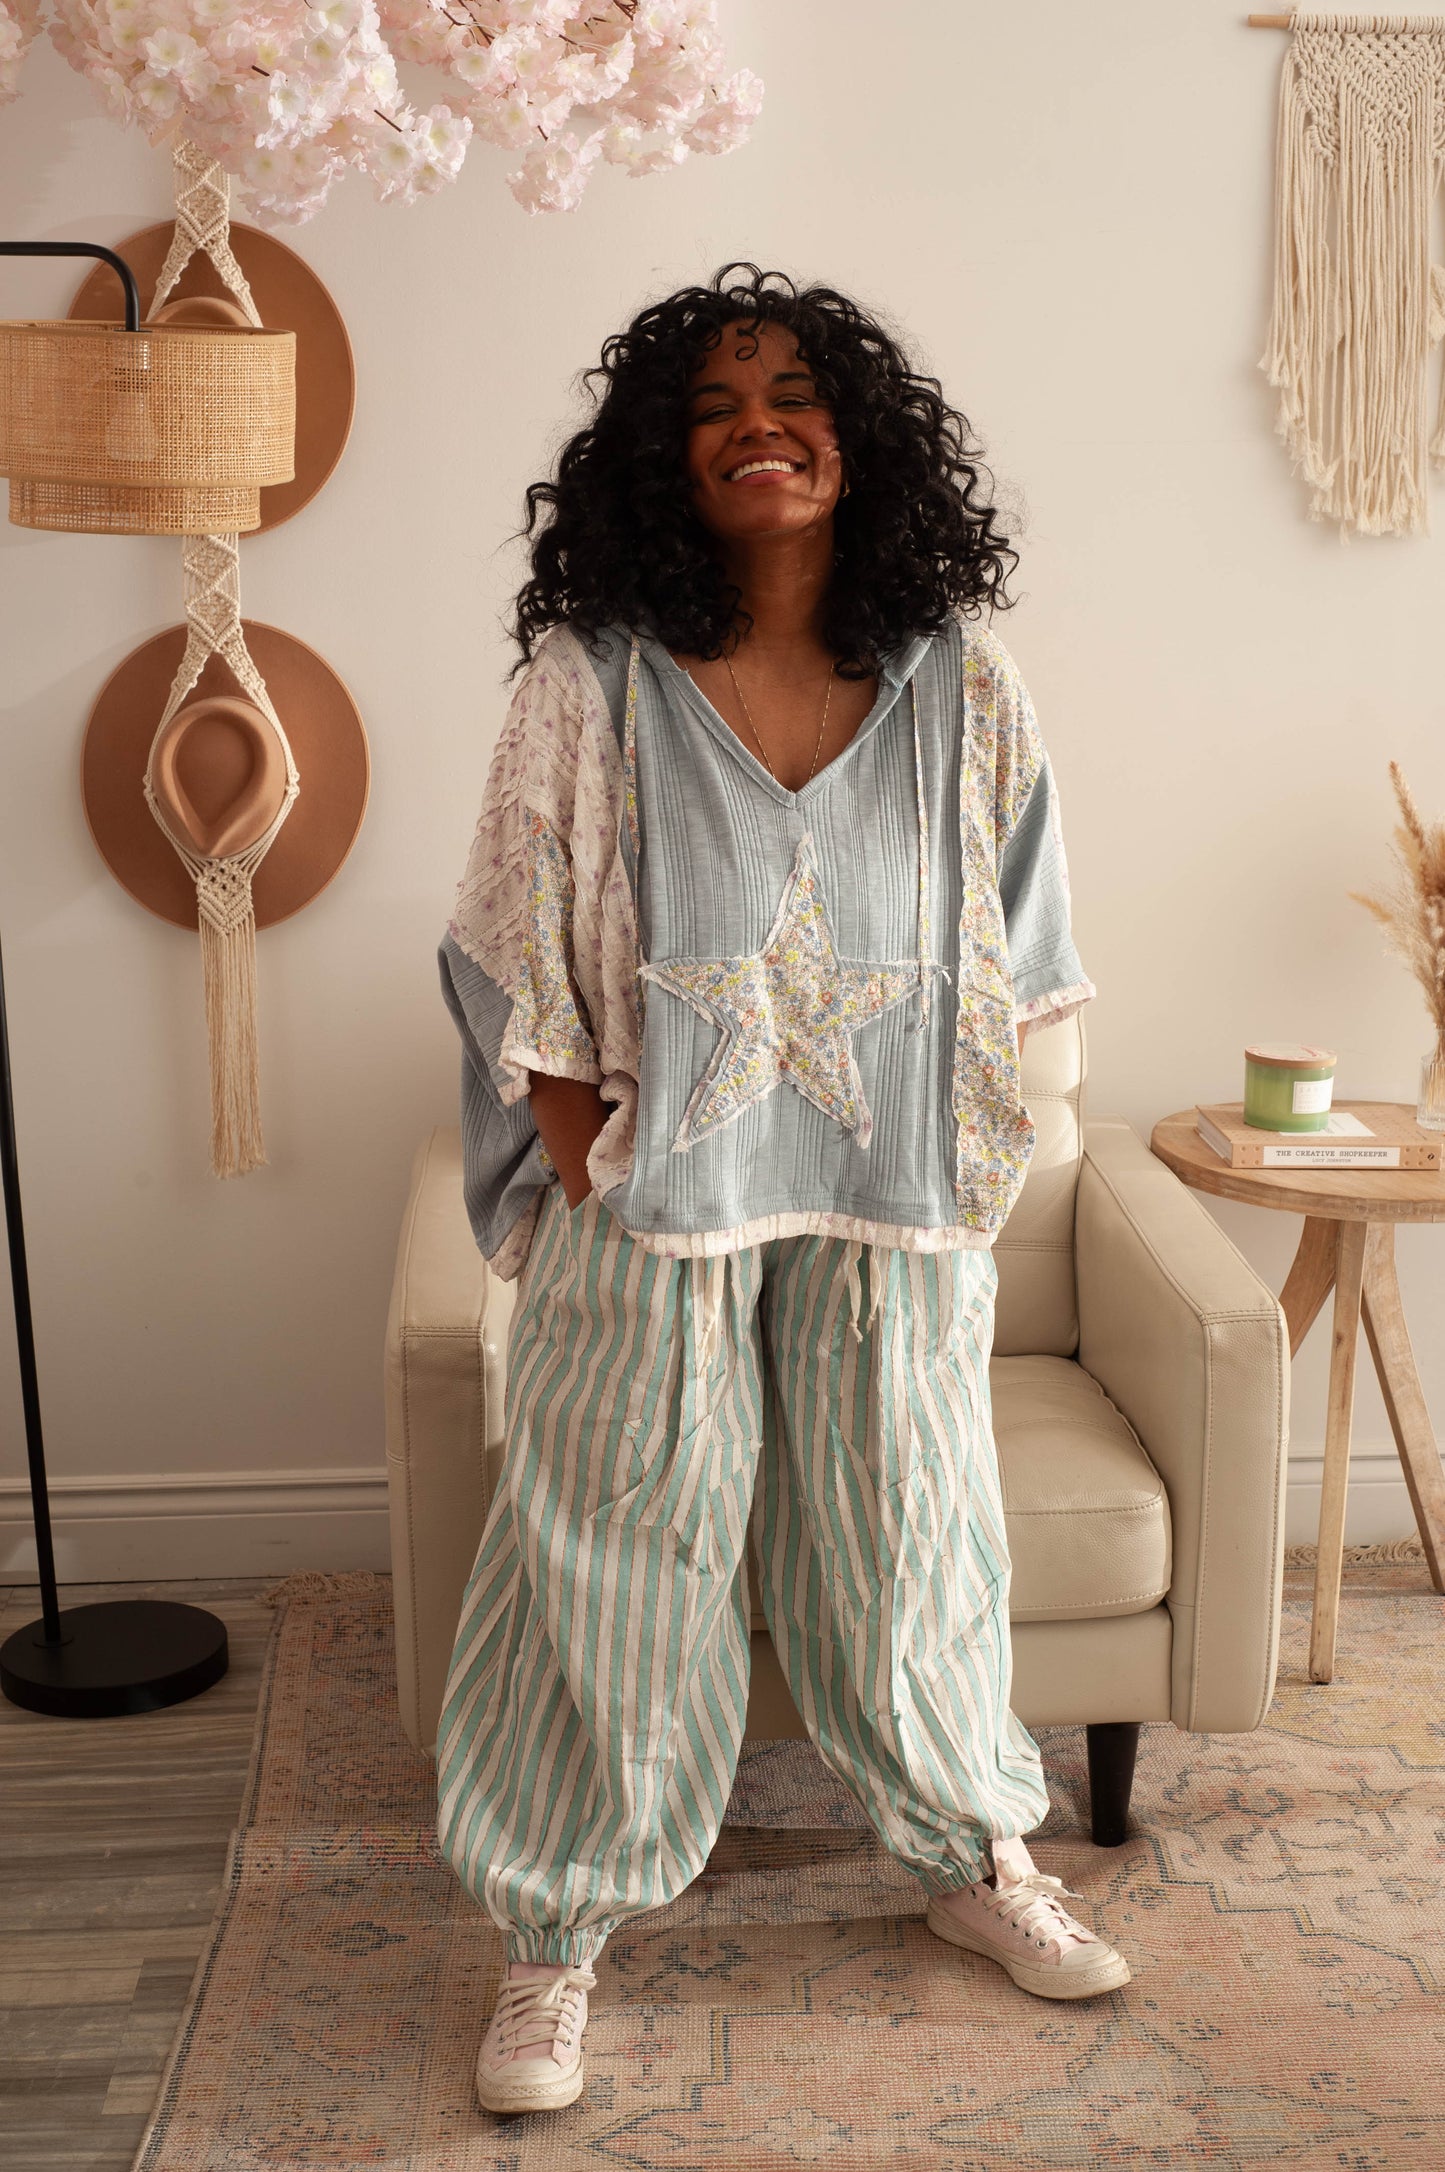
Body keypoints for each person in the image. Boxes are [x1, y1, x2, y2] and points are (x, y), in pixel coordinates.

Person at [433, 263, 1127, 2119]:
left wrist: (968, 1167)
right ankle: (554, 1930)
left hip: (893, 1200)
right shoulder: (588, 683)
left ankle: (972, 1853)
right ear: (661, 462)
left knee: (909, 1537)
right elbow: (510, 947)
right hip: (649, 1202)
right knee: (612, 1555)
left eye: (795, 394)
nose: (759, 426)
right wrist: (589, 1170)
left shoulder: (962, 681)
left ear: (860, 439)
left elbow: (1023, 947)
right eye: (714, 405)